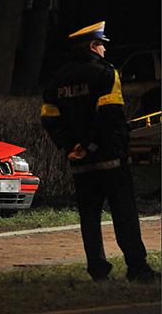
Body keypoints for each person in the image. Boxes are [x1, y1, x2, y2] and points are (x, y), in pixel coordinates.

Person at [40, 20, 159, 282]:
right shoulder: (106, 73)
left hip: (79, 161)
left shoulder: (57, 79)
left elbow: (50, 118)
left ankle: (97, 269)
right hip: (109, 158)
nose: (105, 51)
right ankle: (137, 268)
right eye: (102, 46)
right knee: (124, 213)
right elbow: (110, 117)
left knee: (89, 218)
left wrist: (71, 146)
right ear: (94, 46)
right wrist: (95, 145)